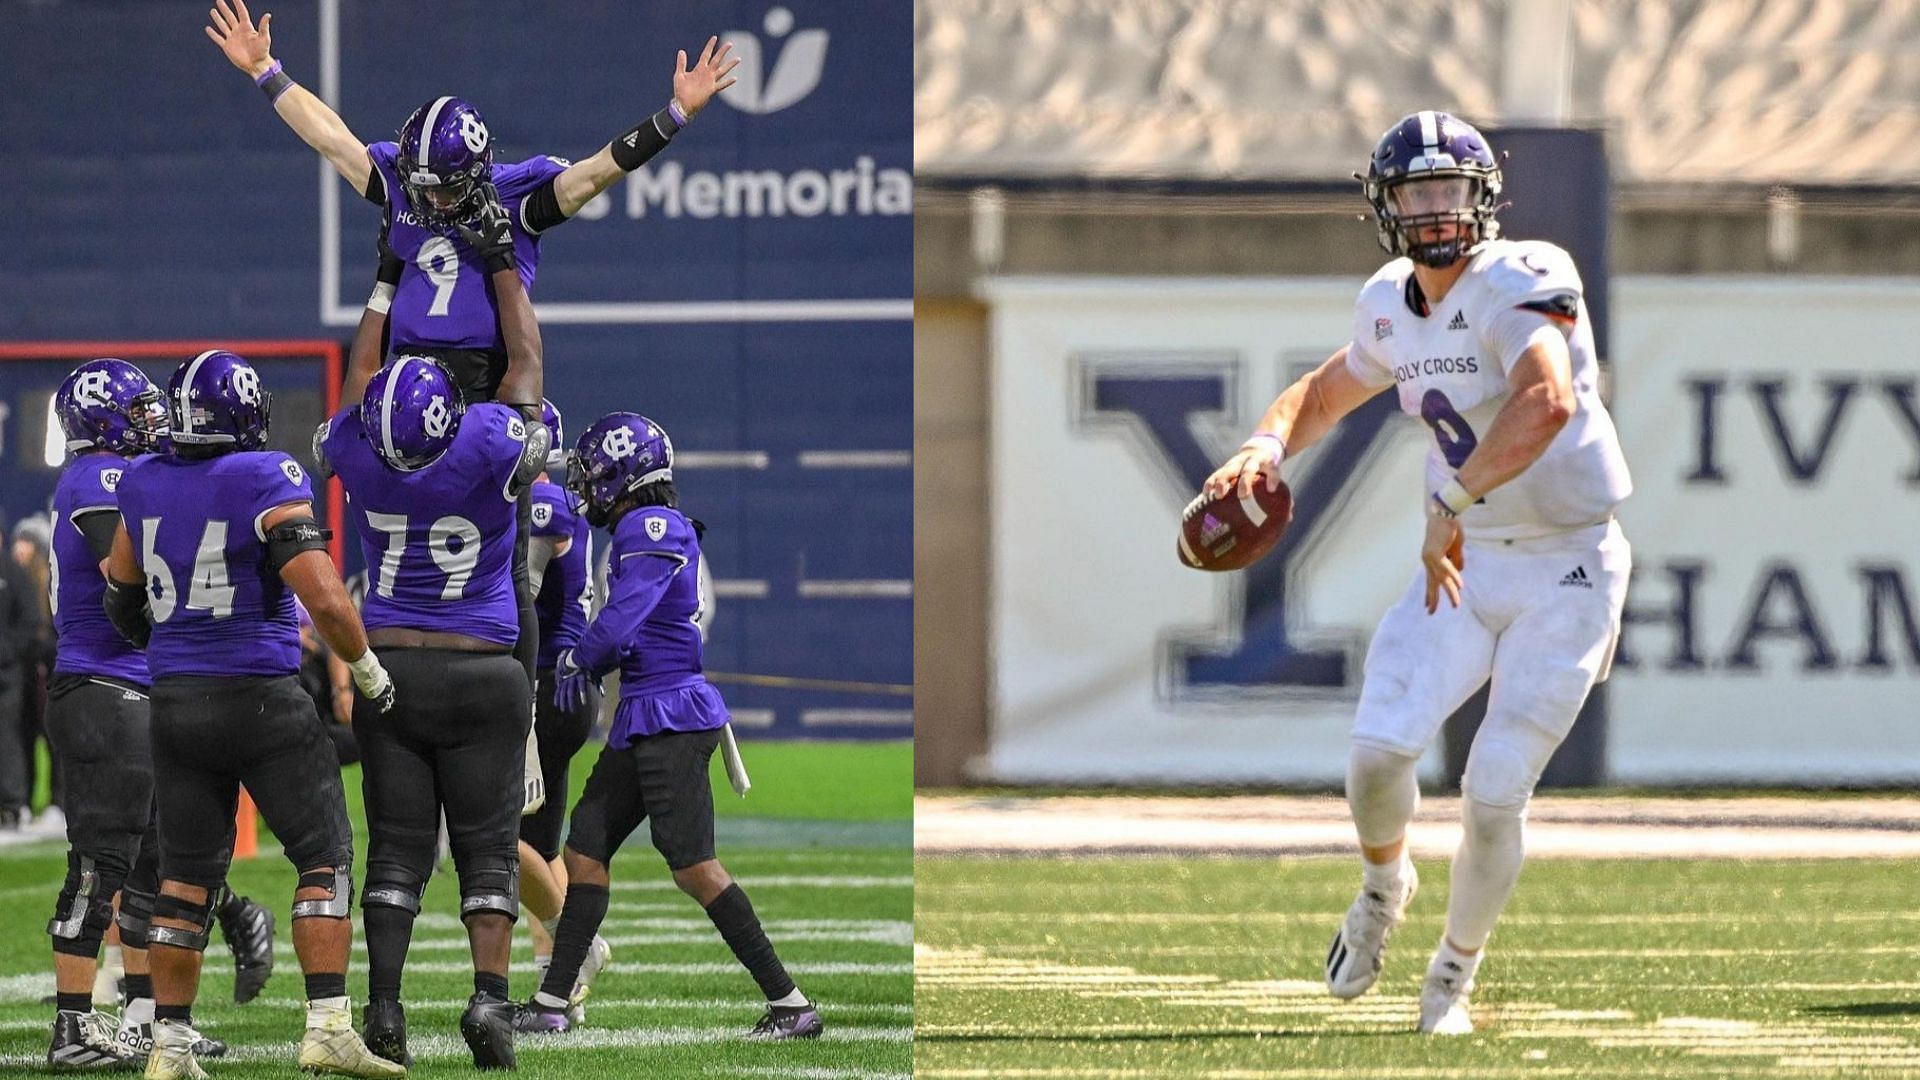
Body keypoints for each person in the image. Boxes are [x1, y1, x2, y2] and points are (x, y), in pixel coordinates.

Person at [1201, 111, 1632, 1035]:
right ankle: (1382, 883)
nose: (1436, 211)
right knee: (1376, 753)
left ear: (1484, 199)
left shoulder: (1525, 273)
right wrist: (1262, 444)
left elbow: (1546, 400)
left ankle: (1451, 979)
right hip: (1465, 567)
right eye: (1416, 193)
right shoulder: (1389, 301)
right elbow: (1324, 391)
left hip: (1567, 563)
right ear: (1386, 206)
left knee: (1495, 785)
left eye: (1451, 191)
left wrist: (1452, 503)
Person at [105, 350, 403, 1079]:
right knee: (324, 862)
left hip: (176, 703)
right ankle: (329, 1025)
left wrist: (173, 648)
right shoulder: (263, 475)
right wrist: (368, 674)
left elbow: (119, 589)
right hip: (262, 698)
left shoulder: (141, 480)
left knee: (184, 879)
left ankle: (169, 1046)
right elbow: (327, 600)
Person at [316, 233, 547, 1068]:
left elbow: (357, 390)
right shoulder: (485, 438)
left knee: (398, 848)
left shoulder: (358, 452)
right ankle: (489, 1003)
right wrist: (502, 270)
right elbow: (524, 372)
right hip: (482, 664)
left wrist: (384, 281)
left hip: (393, 672)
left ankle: (384, 1007)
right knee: (488, 848)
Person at [514, 414, 819, 1041]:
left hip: (672, 714)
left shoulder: (652, 526)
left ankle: (791, 1003)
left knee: (694, 867)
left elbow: (625, 617)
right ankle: (551, 1000)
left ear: (623, 476)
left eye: (595, 473)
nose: (586, 483)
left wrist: (583, 654)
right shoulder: (637, 527)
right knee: (585, 851)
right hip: (643, 714)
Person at [521, 399, 611, 1017]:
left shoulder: (545, 503)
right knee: (540, 841)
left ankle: (581, 946)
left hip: (549, 684)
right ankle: (559, 986)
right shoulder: (554, 501)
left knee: (496, 836)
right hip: (566, 687)